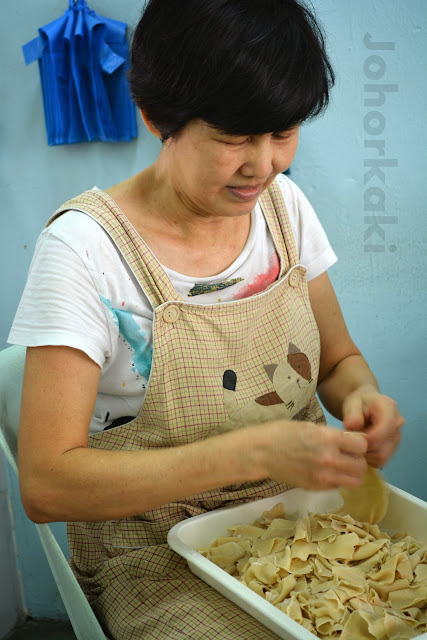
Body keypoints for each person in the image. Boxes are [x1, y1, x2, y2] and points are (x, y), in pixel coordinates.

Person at [9, 1, 404, 638]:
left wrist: (362, 396)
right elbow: (47, 485)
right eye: (232, 138)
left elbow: (336, 361)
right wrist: (247, 453)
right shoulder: (85, 250)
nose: (264, 163)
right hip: (152, 549)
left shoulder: (284, 208)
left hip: (298, 515)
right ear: (155, 117)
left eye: (283, 132)